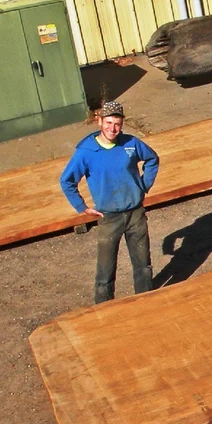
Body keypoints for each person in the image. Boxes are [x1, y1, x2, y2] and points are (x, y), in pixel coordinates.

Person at [59, 101, 160, 304]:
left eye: (117, 124)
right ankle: (104, 309)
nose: (112, 128)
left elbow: (152, 159)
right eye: (108, 122)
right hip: (108, 217)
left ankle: (147, 302)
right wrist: (82, 207)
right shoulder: (86, 152)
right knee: (105, 271)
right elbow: (67, 180)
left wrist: (143, 186)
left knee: (143, 265)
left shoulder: (131, 143)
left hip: (135, 214)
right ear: (99, 122)